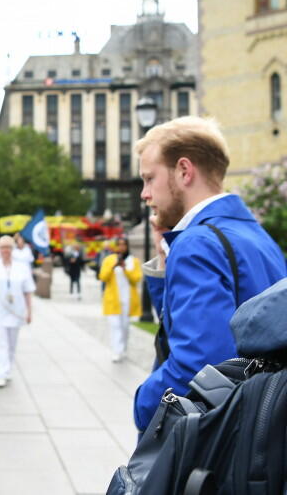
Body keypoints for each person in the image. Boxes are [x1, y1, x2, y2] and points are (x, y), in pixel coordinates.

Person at [133, 116, 286, 431]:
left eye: (149, 178)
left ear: (184, 171)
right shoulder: (257, 236)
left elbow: (198, 365)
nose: (144, 194)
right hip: (261, 426)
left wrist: (142, 403)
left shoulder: (197, 243)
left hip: (218, 437)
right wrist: (164, 260)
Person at [0, 236, 35, 388]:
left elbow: (28, 291)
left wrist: (29, 311)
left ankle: (7, 368)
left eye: (8, 247)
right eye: (2, 247)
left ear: (13, 249)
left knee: (11, 343)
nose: (5, 250)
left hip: (15, 311)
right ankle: (0, 374)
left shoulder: (21, 267)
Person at [98, 237, 142, 363]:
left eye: (124, 244)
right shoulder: (109, 260)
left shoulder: (133, 261)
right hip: (113, 300)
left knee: (125, 327)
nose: (121, 247)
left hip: (128, 300)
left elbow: (136, 279)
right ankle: (116, 351)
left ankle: (123, 349)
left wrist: (125, 269)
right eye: (119, 244)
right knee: (115, 326)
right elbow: (102, 277)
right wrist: (114, 266)